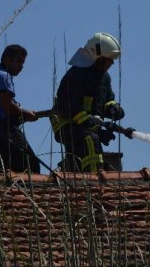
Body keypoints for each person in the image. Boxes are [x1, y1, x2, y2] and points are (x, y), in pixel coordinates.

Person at [50, 32, 125, 172]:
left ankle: (73, 167)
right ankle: (93, 180)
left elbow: (107, 100)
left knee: (90, 142)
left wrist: (113, 108)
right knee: (91, 140)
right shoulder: (75, 76)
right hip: (66, 122)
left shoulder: (104, 78)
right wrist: (97, 128)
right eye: (110, 59)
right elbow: (70, 109)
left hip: (87, 124)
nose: (113, 63)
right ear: (99, 58)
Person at [0, 44, 41, 173]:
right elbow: (7, 105)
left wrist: (21, 112)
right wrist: (23, 114)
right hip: (3, 133)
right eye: (18, 61)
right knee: (31, 167)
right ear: (7, 59)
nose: (21, 66)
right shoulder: (3, 76)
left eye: (23, 63)